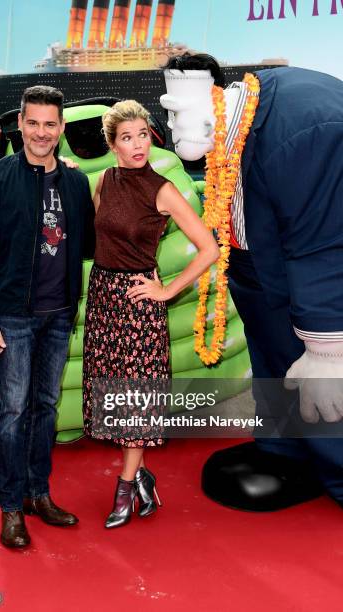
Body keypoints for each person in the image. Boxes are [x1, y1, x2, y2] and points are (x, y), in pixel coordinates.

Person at [160, 52, 343, 511]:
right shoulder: (229, 125)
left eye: (179, 111)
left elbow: (323, 244)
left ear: (214, 98)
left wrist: (327, 347)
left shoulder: (303, 131)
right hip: (262, 266)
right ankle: (285, 448)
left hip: (318, 269)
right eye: (168, 111)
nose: (172, 124)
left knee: (325, 381)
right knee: (274, 354)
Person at [0, 85, 95, 548]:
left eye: (50, 124)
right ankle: (11, 507)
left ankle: (40, 493)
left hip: (59, 315)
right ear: (20, 124)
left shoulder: (75, 183)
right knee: (12, 413)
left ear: (61, 128)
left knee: (46, 408)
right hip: (12, 317)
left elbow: (89, 246)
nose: (41, 132)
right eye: (33, 123)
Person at [82, 99, 219, 528]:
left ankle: (124, 489)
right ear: (113, 145)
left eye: (143, 135)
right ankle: (142, 478)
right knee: (111, 395)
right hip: (104, 298)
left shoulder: (162, 189)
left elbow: (210, 249)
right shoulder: (103, 180)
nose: (138, 144)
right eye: (127, 137)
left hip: (140, 302)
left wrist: (167, 290)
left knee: (136, 401)